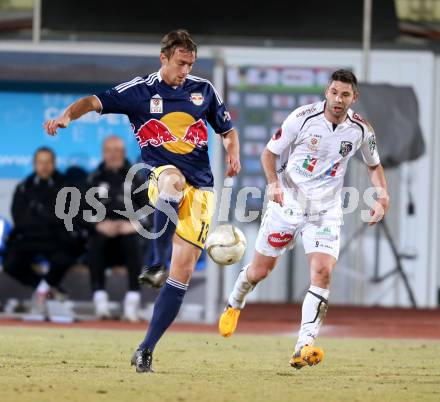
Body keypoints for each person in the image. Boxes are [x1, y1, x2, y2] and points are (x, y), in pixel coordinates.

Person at [43, 29, 240, 373]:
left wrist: (232, 154)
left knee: (183, 272)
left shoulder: (204, 90)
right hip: (156, 173)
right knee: (172, 182)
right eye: (180, 63)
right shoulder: (140, 91)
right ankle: (154, 260)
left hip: (203, 188)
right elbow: (93, 101)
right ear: (163, 58)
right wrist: (66, 116)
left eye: (190, 63)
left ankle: (146, 348)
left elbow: (227, 130)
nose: (185, 70)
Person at [218, 69, 389, 369]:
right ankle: (235, 302)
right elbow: (269, 155)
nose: (338, 99)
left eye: (345, 94)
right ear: (327, 92)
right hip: (288, 204)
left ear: (354, 97)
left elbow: (374, 166)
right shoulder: (303, 117)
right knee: (260, 271)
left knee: (322, 272)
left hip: (326, 210)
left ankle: (303, 345)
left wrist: (382, 195)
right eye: (334, 92)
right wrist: (273, 183)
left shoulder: (361, 130)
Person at [3, 147, 79, 313]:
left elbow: (66, 216)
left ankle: (43, 291)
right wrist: (48, 215)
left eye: (48, 162)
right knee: (10, 262)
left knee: (65, 257)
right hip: (29, 238)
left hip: (55, 238)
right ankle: (45, 289)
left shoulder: (66, 186)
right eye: (40, 162)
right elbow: (19, 219)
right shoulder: (23, 187)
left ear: (54, 164)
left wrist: (38, 214)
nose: (44, 166)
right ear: (34, 165)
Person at [84, 135, 148, 322]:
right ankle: (100, 300)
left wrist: (134, 225)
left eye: (117, 150)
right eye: (109, 150)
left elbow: (150, 210)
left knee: (133, 240)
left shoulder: (136, 178)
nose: (113, 154)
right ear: (103, 153)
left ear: (124, 152)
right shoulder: (94, 178)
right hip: (103, 240)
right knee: (95, 240)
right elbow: (80, 213)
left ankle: (132, 301)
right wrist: (98, 225)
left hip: (128, 238)